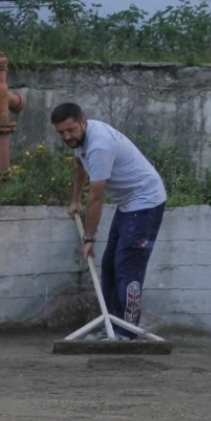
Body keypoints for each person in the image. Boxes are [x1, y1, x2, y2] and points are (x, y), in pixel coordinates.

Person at [51, 103, 167, 338]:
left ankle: (128, 331)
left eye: (70, 130)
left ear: (83, 121)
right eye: (61, 132)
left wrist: (89, 238)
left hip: (146, 202)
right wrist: (75, 200)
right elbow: (78, 166)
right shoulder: (81, 140)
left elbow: (96, 197)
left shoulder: (99, 145)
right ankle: (112, 325)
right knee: (110, 266)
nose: (67, 136)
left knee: (127, 267)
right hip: (129, 204)